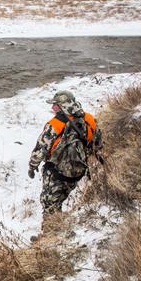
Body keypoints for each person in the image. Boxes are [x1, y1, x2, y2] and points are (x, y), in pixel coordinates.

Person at [28, 90, 102, 223]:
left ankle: (51, 233)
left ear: (63, 106)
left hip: (56, 174)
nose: (52, 108)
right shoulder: (89, 119)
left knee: (50, 205)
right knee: (67, 198)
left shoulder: (54, 124)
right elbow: (97, 144)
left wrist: (32, 166)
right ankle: (67, 226)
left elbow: (40, 150)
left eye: (55, 105)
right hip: (79, 171)